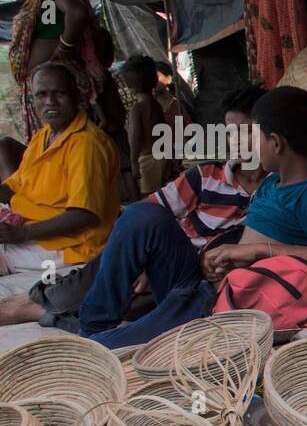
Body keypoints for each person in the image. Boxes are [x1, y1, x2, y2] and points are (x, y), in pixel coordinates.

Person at [73, 87, 267, 342]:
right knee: (140, 214)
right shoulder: (206, 176)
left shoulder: (278, 189)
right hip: (180, 273)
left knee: (121, 341)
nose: (237, 141)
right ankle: (93, 326)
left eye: (246, 131)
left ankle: (99, 341)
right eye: (231, 132)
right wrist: (143, 259)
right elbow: (144, 219)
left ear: (268, 133)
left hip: (219, 288)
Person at [200, 85, 307, 288]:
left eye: (256, 135)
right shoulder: (270, 183)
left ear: (276, 143)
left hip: (247, 302)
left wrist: (262, 250)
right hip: (222, 288)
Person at [0, 63, 118, 325]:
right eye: (42, 95)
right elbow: (14, 185)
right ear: (32, 100)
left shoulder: (87, 144)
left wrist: (20, 234)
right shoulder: (43, 137)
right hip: (34, 236)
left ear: (76, 96)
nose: (50, 101)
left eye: (59, 93)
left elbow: (84, 215)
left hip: (70, 247)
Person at [6, 0, 125, 151]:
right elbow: (53, 24)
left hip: (57, 81)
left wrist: (65, 47)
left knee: (68, 146)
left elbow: (76, 12)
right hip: (47, 81)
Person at [120, 55, 168, 197]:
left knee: (150, 198)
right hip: (162, 155)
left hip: (146, 159)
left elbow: (136, 137)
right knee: (163, 196)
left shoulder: (137, 109)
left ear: (129, 84)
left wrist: (133, 161)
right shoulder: (157, 105)